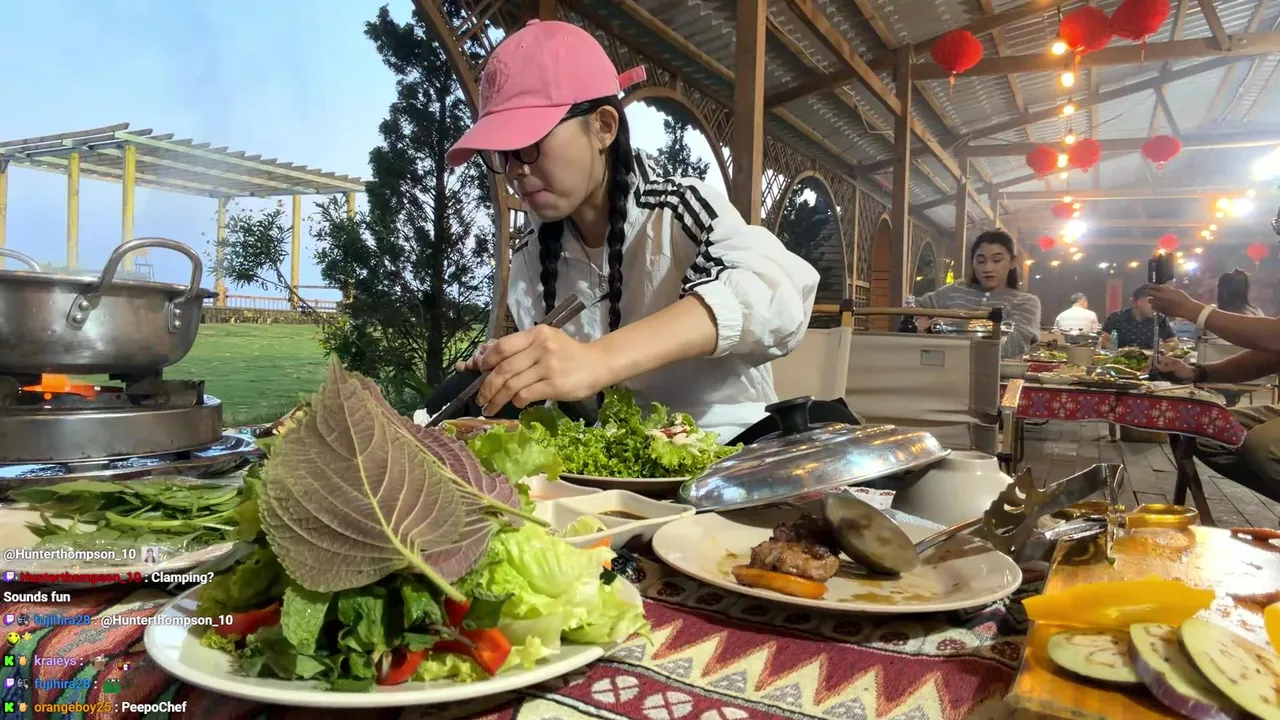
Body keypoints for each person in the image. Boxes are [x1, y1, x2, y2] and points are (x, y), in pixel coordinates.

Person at [439, 19, 821, 443]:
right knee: (456, 402)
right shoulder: (532, 253)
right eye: (503, 154)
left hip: (730, 444)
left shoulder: (676, 209)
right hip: (615, 458)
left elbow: (776, 293)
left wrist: (597, 360)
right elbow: (584, 405)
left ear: (604, 126)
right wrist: (526, 372)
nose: (515, 170)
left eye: (529, 143)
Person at [915, 230, 1042, 359]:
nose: (987, 268)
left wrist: (949, 326)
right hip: (943, 366)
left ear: (1013, 262)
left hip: (995, 371)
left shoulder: (1026, 302)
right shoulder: (956, 290)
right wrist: (923, 325)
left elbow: (1011, 345)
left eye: (997, 260)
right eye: (980, 261)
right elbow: (913, 308)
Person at [1101, 287, 1177, 349]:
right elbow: (1102, 339)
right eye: (1152, 302)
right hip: (1121, 360)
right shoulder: (1117, 317)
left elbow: (1174, 343)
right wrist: (1117, 351)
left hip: (1150, 360)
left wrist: (1164, 347)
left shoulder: (1159, 319)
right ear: (1139, 302)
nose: (1156, 306)